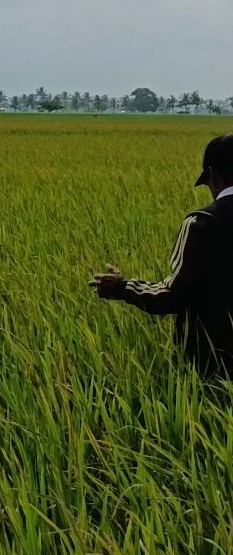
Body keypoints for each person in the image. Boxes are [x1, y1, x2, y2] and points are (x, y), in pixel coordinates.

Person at [91, 134, 233, 379]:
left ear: (213, 174)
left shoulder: (202, 223)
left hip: (214, 364)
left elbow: (173, 297)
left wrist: (122, 287)